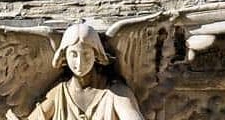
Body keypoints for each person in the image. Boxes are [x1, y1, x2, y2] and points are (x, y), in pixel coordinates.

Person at [8, 23, 144, 120]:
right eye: (73, 54)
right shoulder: (58, 94)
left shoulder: (116, 94)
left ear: (96, 54)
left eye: (86, 55)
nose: (79, 63)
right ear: (64, 56)